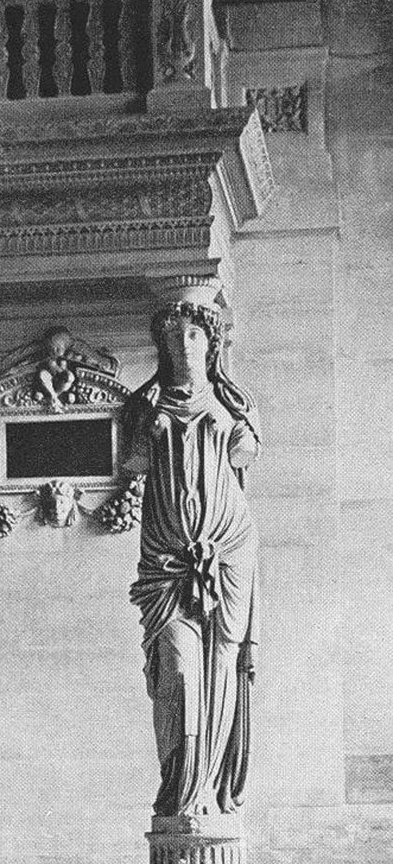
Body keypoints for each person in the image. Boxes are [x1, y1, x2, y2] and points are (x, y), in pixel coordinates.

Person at [126, 289, 260, 818]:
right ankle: (180, 785)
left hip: (229, 551)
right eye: (173, 336)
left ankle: (209, 790)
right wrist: (145, 429)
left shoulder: (232, 405)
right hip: (166, 560)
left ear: (211, 342)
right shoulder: (146, 407)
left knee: (222, 665)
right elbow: (132, 462)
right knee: (178, 670)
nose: (183, 343)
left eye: (194, 333)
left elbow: (246, 452)